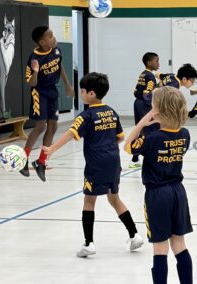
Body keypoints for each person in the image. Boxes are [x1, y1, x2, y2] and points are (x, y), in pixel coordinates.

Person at [43, 72, 144, 257]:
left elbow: (70, 134)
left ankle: (89, 244)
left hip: (96, 165)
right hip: (114, 162)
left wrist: (51, 149)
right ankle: (135, 235)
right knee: (114, 199)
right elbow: (120, 138)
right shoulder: (112, 112)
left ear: (91, 93)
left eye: (82, 91)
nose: (80, 94)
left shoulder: (86, 116)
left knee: (89, 201)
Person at [125, 86, 193, 284]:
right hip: (178, 193)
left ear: (158, 111)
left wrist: (142, 122)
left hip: (157, 194)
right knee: (179, 244)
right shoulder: (185, 134)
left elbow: (128, 147)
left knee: (160, 248)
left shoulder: (153, 138)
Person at [20, 26, 74, 181]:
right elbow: (31, 82)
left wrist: (68, 85)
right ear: (42, 42)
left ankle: (41, 162)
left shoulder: (56, 51)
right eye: (50, 36)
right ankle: (24, 158)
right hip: (39, 92)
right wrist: (36, 71)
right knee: (41, 126)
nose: (54, 38)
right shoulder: (34, 58)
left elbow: (60, 66)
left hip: (52, 91)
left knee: (53, 126)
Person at [131, 52, 160, 168]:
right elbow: (146, 93)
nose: (158, 63)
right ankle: (149, 156)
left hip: (137, 103)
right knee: (150, 130)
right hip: (144, 105)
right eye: (156, 61)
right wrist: (153, 107)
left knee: (142, 130)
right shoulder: (150, 76)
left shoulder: (142, 74)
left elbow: (135, 92)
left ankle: (135, 157)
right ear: (149, 62)